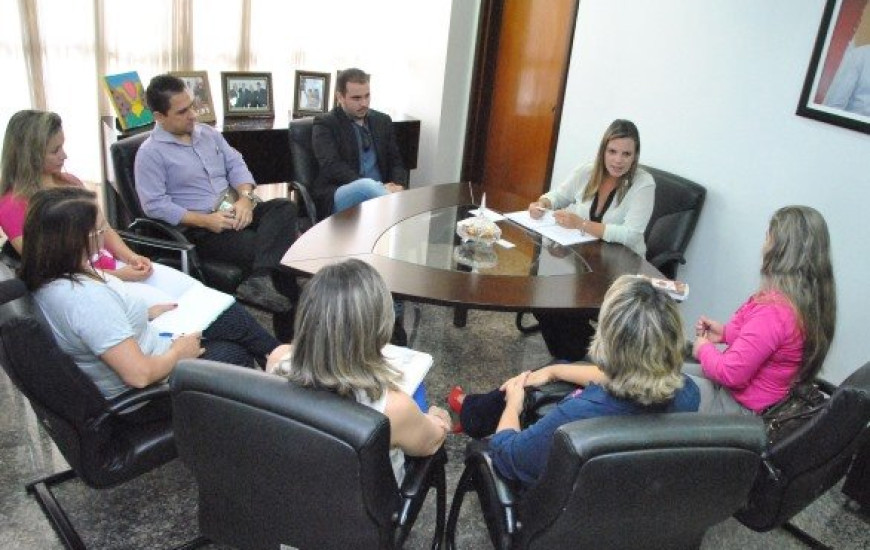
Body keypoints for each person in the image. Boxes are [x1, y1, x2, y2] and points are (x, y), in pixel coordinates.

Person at [20, 186, 289, 421]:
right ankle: (282, 381)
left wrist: (145, 313)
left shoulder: (53, 275)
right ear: (80, 239)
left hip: (149, 346)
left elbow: (95, 328)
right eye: (101, 229)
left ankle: (282, 372)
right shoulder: (85, 299)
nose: (105, 236)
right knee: (235, 352)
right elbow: (138, 376)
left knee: (227, 317)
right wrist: (178, 353)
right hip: (148, 394)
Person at [447, 275, 699, 486]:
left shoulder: (576, 420)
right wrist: (556, 370)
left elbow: (506, 456)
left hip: (558, 514)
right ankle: (473, 409)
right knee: (559, 369)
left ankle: (472, 413)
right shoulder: (689, 392)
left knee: (520, 394)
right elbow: (631, 376)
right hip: (630, 502)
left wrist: (513, 405)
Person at [135, 74, 299, 340]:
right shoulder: (150, 153)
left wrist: (246, 198)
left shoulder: (208, 134)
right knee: (281, 251)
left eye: (192, 106)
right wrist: (204, 220)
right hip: (204, 228)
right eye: (182, 111)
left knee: (284, 207)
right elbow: (154, 205)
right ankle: (285, 333)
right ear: (159, 116)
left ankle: (260, 278)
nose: (192, 115)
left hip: (236, 208)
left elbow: (236, 164)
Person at [266, 259, 451, 484]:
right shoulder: (392, 407)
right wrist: (437, 418)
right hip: (361, 513)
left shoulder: (277, 359)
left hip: (293, 489)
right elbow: (430, 443)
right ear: (377, 325)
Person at [0, 109, 193, 299]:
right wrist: (117, 276)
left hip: (111, 268)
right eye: (55, 151)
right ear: (29, 154)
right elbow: (48, 268)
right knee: (170, 305)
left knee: (191, 289)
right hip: (83, 285)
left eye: (62, 147)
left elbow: (104, 229)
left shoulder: (70, 182)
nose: (64, 156)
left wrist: (130, 257)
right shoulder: (11, 206)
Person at [688, 206, 836, 415]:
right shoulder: (805, 303)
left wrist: (702, 348)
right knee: (665, 370)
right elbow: (769, 344)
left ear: (779, 250)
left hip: (736, 408)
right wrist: (725, 333)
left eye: (768, 237)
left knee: (649, 385)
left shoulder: (774, 312)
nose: (763, 244)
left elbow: (730, 373)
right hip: (758, 400)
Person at [531, 119, 656, 361]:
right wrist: (543, 203)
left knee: (569, 310)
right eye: (612, 151)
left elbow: (632, 234)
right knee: (543, 302)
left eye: (626, 153)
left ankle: (584, 363)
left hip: (621, 265)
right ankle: (569, 359)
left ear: (635, 156)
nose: (618, 160)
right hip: (583, 256)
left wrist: (582, 224)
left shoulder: (643, 184)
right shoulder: (588, 171)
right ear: (603, 150)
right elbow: (559, 195)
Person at [312, 67, 408, 215]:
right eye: (356, 98)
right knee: (366, 187)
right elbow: (332, 166)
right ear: (340, 97)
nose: (364, 103)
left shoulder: (382, 121)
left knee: (376, 189)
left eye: (367, 96)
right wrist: (378, 188)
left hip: (382, 194)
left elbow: (395, 161)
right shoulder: (326, 124)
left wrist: (398, 185)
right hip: (342, 192)